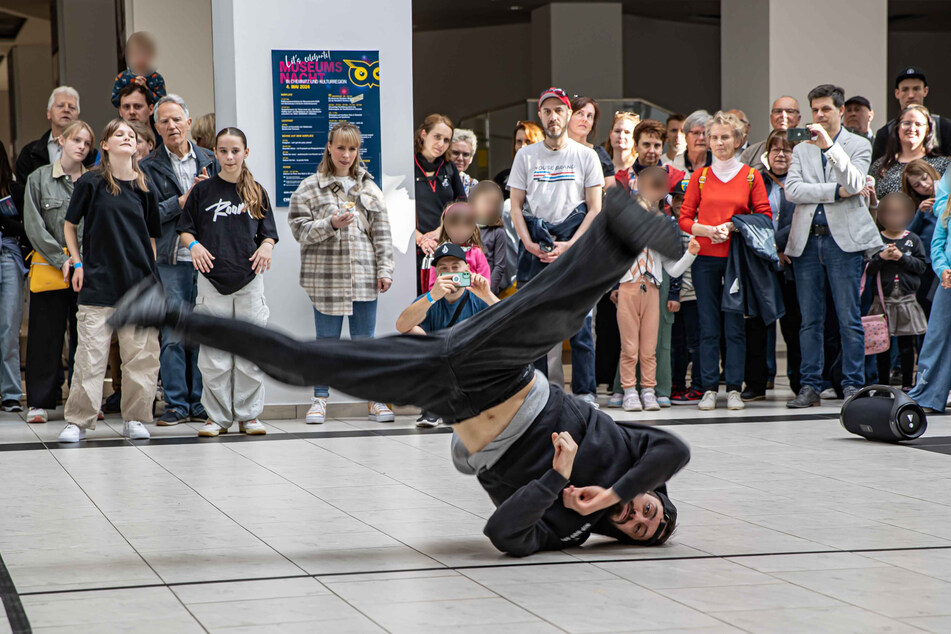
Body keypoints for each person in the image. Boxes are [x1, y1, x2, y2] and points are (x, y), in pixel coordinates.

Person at [106, 185, 689, 556]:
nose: (637, 515)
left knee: (309, 362)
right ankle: (618, 227)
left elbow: (506, 536)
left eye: (636, 527)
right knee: (551, 309)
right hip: (504, 372)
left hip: (444, 385)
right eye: (650, 510)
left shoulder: (567, 527)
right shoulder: (635, 460)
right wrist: (616, 487)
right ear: (653, 493)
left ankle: (172, 314)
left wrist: (561, 482)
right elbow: (674, 450)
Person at [57, 118, 161, 443]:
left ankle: (136, 418)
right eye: (119, 134)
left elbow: (152, 238)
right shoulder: (90, 183)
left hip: (139, 285)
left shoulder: (146, 187)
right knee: (90, 355)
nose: (127, 138)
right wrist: (77, 262)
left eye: (131, 135)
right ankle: (78, 421)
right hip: (99, 282)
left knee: (141, 357)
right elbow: (70, 225)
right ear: (105, 145)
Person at [287, 122, 395, 426]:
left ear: (358, 150)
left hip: (364, 276)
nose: (346, 155)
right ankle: (320, 399)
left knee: (365, 342)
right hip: (326, 278)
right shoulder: (310, 186)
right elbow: (298, 230)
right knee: (326, 342)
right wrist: (330, 224)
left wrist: (385, 269)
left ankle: (374, 399)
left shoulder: (370, 188)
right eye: (340, 148)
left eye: (352, 148)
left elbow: (382, 235)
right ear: (329, 148)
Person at [784, 84, 882, 408]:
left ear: (840, 111)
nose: (820, 116)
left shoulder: (858, 144)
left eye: (826, 109)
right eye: (815, 110)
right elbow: (793, 191)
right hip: (808, 240)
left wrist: (829, 147)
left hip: (845, 242)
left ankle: (853, 385)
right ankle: (810, 385)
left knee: (848, 318)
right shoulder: (800, 148)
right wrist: (835, 192)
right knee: (809, 319)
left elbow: (855, 182)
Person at [177, 127, 278, 437]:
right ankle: (217, 417)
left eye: (235, 151)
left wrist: (266, 246)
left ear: (245, 153)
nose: (229, 156)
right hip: (211, 282)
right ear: (215, 154)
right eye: (223, 151)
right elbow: (186, 230)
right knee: (214, 356)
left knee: (249, 353)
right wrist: (193, 246)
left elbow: (269, 233)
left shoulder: (256, 191)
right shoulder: (203, 192)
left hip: (249, 281)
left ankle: (249, 416)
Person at [509, 87, 604, 407]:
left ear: (568, 114)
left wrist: (571, 246)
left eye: (558, 111)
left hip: (574, 249)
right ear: (541, 115)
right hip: (535, 247)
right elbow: (516, 206)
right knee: (532, 327)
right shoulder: (526, 155)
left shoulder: (586, 155)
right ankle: (535, 393)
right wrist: (528, 244)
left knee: (580, 325)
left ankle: (586, 392)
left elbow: (595, 209)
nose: (553, 117)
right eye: (547, 111)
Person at [678, 110, 772, 411]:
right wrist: (706, 230)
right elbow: (683, 218)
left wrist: (732, 226)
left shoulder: (750, 175)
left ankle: (733, 387)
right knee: (708, 325)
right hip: (705, 258)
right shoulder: (700, 176)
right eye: (713, 138)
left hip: (735, 260)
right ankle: (708, 388)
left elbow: (764, 215)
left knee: (734, 325)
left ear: (737, 140)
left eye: (724, 137)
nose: (718, 143)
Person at [140, 94, 220, 426]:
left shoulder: (213, 160)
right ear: (156, 128)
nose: (172, 126)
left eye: (177, 119)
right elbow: (145, 217)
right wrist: (183, 200)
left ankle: (200, 402)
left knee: (201, 333)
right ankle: (176, 403)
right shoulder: (147, 167)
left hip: (208, 258)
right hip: (171, 258)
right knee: (172, 334)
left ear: (189, 122)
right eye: (164, 121)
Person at [21, 121, 94, 424]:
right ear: (61, 140)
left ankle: (83, 401)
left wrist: (81, 261)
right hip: (52, 268)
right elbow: (33, 224)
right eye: (76, 140)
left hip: (85, 270)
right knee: (45, 335)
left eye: (87, 143)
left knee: (85, 336)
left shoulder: (94, 181)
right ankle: (39, 400)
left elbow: (98, 225)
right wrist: (59, 258)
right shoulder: (39, 179)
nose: (81, 147)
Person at [613, 167, 700, 412]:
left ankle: (648, 390)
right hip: (629, 289)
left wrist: (690, 254)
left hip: (652, 291)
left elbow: (671, 268)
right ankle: (629, 390)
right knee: (629, 346)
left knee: (649, 347)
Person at [397, 242, 497, 427]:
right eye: (444, 269)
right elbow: (402, 325)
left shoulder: (478, 296)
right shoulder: (429, 299)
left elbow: (512, 322)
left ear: (467, 269)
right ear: (436, 273)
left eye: (455, 267)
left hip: (472, 362)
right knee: (413, 332)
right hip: (440, 365)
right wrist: (431, 297)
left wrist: (488, 296)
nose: (450, 273)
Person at [865, 192, 927, 390]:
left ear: (908, 215)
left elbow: (920, 266)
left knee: (907, 345)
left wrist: (901, 257)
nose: (894, 218)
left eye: (899, 214)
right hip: (883, 301)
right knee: (883, 345)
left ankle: (908, 383)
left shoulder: (913, 240)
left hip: (907, 300)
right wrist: (881, 257)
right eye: (890, 214)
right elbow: (868, 270)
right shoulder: (876, 239)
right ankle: (883, 384)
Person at [759, 129, 803, 398]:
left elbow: (803, 216)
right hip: (764, 261)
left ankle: (799, 382)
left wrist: (781, 245)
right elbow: (751, 215)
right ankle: (761, 380)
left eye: (786, 149)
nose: (780, 154)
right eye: (775, 149)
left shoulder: (800, 182)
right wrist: (771, 247)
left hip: (793, 262)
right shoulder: (758, 181)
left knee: (794, 326)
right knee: (761, 325)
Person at [908, 170, 951, 412]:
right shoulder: (947, 207)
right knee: (936, 336)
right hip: (948, 280)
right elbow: (937, 243)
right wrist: (943, 269)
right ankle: (926, 393)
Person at [14, 87, 95, 211]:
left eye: (72, 107)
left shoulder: (91, 154)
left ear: (78, 115)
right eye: (60, 106)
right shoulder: (30, 152)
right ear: (48, 113)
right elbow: (22, 197)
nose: (66, 110)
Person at [414, 114, 466, 294]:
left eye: (446, 140)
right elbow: (396, 212)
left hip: (445, 246)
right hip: (413, 249)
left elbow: (462, 206)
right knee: (420, 300)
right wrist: (420, 238)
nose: (441, 144)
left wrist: (439, 232)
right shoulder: (407, 164)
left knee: (449, 296)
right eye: (437, 137)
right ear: (423, 134)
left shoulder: (449, 167)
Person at [668, 180, 703, 405]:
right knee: (676, 343)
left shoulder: (699, 226)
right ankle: (676, 384)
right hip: (674, 296)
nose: (681, 203)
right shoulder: (669, 225)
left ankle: (698, 385)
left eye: (686, 198)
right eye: (677, 199)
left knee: (696, 342)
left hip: (695, 296)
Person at [870, 105, 950, 200]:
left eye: (918, 124)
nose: (912, 128)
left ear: (927, 130)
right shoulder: (880, 166)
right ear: (897, 128)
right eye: (907, 123)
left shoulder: (944, 165)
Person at [873, 67, 951, 163]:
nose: (911, 95)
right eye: (905, 89)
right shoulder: (885, 133)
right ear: (897, 93)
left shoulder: (943, 127)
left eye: (916, 89)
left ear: (925, 91)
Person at [0, 139, 26, 413]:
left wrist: (4, 221)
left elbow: (27, 227)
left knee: (8, 326)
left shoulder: (14, 189)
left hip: (8, 256)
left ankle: (10, 392)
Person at [903, 158, 941, 315]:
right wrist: (920, 212)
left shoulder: (946, 192)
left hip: (945, 260)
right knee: (925, 306)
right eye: (917, 185)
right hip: (926, 263)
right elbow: (908, 235)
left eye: (925, 178)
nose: (924, 185)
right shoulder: (916, 205)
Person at [424, 202, 490, 291]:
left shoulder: (477, 253)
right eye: (454, 224)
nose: (460, 229)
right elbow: (432, 287)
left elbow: (485, 285)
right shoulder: (440, 253)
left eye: (466, 224)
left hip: (473, 301)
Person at [470, 181, 515, 297]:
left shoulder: (498, 232)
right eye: (486, 202)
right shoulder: (467, 229)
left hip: (487, 290)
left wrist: (488, 289)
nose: (490, 207)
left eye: (494, 204)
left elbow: (499, 266)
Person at [567, 97, 616, 189]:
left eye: (589, 116)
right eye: (579, 113)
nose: (584, 119)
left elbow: (612, 195)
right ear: (568, 117)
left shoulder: (599, 154)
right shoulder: (555, 151)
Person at [739, 96, 801, 167]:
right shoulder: (751, 153)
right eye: (778, 111)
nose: (783, 115)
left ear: (798, 118)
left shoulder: (807, 150)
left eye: (790, 111)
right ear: (771, 118)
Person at [627, 119, 686, 193]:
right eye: (646, 145)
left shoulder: (675, 178)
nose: (651, 151)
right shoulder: (622, 179)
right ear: (636, 146)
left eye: (657, 146)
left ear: (662, 148)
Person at [110, 32, 166, 108]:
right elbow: (115, 101)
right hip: (126, 119)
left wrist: (146, 89)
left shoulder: (156, 78)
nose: (140, 59)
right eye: (136, 54)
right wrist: (130, 89)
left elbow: (162, 103)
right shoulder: (122, 77)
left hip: (151, 119)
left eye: (144, 55)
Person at [492, 120, 544, 200]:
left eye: (528, 141)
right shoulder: (502, 177)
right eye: (519, 141)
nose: (522, 146)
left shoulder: (548, 176)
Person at [671, 110, 712, 177]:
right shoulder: (672, 168)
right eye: (696, 133)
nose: (701, 138)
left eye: (705, 133)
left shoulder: (723, 167)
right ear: (686, 137)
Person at [605, 112, 639, 190]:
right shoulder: (601, 168)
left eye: (627, 132)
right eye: (617, 131)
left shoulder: (641, 168)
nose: (621, 136)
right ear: (610, 134)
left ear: (635, 137)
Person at [450, 129, 479, 197]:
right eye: (455, 153)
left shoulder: (473, 185)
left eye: (465, 155)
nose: (460, 158)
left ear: (471, 158)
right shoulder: (438, 180)